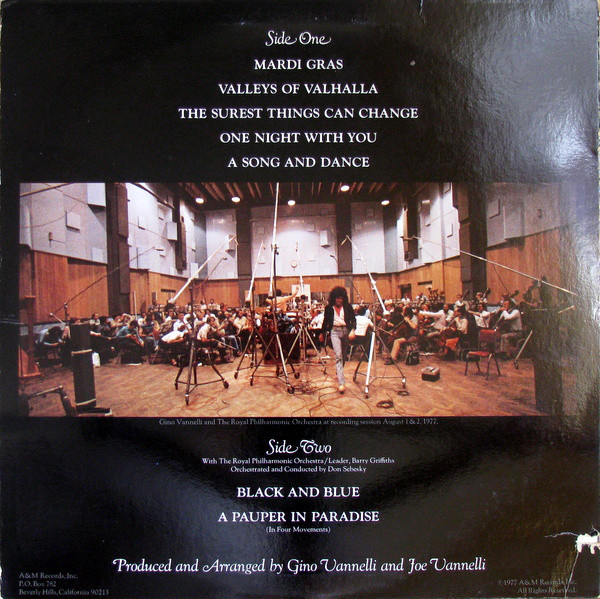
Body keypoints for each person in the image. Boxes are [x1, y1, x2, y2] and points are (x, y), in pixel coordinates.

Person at [320, 286, 356, 394]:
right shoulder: (329, 308)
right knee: (338, 356)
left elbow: (353, 320)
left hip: (346, 331)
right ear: (333, 298)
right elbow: (325, 321)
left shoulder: (348, 307)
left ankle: (338, 372)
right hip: (334, 332)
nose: (339, 300)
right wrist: (322, 333)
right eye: (337, 298)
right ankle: (341, 383)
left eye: (341, 298)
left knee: (344, 356)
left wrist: (353, 330)